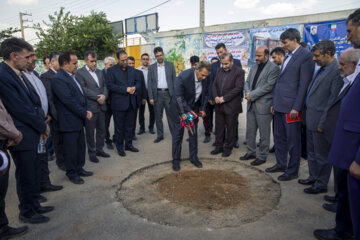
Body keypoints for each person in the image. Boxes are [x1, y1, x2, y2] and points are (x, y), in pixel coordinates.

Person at [315, 9, 360, 240]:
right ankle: (342, 230)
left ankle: (344, 232)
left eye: (350, 31)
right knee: (345, 195)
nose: (347, 37)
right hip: (345, 147)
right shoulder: (349, 76)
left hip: (354, 155)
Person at [0, 38, 51, 224]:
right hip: (22, 134)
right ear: (14, 56)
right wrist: (42, 126)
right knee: (26, 174)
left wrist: (41, 125)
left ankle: (35, 204)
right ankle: (27, 212)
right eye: (28, 56)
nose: (32, 59)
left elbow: (33, 102)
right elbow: (21, 108)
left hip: (34, 131)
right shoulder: (4, 76)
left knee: (35, 171)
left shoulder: (19, 73)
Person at [266, 28, 314, 181]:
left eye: (285, 42)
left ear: (295, 40)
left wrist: (296, 107)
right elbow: (281, 82)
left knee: (293, 141)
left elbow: (303, 84)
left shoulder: (305, 56)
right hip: (279, 105)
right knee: (279, 138)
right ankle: (281, 163)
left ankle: (292, 170)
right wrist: (274, 102)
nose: (283, 45)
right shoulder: (288, 56)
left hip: (291, 108)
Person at [299, 40, 343, 194]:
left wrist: (323, 123)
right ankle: (313, 176)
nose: (314, 59)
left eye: (317, 56)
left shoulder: (336, 71)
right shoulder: (321, 69)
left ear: (328, 54)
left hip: (320, 123)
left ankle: (321, 183)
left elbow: (332, 102)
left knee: (321, 156)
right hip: (310, 119)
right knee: (311, 153)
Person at [22, 51, 63, 194]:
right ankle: (34, 193)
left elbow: (43, 98)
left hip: (44, 120)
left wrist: (48, 114)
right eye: (29, 57)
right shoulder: (19, 77)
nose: (35, 59)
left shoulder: (34, 75)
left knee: (42, 156)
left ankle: (45, 183)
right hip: (32, 126)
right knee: (32, 161)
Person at [52, 51, 93, 184]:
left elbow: (82, 95)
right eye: (74, 63)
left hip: (78, 120)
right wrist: (84, 112)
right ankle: (72, 173)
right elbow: (68, 101)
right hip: (68, 121)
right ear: (65, 64)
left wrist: (87, 108)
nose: (77, 65)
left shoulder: (73, 76)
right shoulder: (59, 79)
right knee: (70, 150)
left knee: (80, 147)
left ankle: (79, 168)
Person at [240, 46, 279, 166]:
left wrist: (251, 94)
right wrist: (247, 93)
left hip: (263, 106)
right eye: (256, 55)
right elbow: (247, 82)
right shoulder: (253, 67)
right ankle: (251, 152)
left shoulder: (274, 68)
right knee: (250, 131)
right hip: (251, 104)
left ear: (266, 56)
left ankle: (262, 156)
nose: (256, 58)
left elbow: (269, 86)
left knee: (264, 133)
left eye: (259, 56)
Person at [170, 61, 211, 171]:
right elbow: (178, 97)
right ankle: (176, 160)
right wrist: (188, 110)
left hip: (194, 108)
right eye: (202, 75)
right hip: (180, 109)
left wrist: (202, 109)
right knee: (178, 135)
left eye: (206, 76)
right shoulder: (184, 76)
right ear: (197, 69)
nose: (203, 78)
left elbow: (205, 94)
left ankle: (193, 158)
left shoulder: (205, 78)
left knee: (193, 134)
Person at [0, 99, 29, 238]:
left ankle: (2, 226)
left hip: (4, 140)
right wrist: (15, 134)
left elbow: (6, 116)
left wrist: (11, 134)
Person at [205, 43, 242, 147]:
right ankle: (221, 142)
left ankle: (234, 140)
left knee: (233, 122)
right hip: (219, 100)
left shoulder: (237, 63)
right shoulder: (214, 66)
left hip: (232, 99)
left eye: (221, 52)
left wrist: (240, 96)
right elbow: (212, 82)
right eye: (217, 53)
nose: (219, 54)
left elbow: (239, 84)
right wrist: (213, 97)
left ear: (226, 50)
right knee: (220, 123)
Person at [76, 51, 110, 163]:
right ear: (86, 61)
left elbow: (105, 86)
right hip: (91, 108)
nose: (94, 63)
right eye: (92, 61)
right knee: (90, 132)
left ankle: (100, 149)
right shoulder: (80, 73)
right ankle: (92, 152)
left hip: (102, 106)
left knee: (102, 130)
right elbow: (83, 89)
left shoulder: (100, 72)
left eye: (95, 61)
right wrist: (97, 97)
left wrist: (104, 96)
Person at [105, 50, 140, 156]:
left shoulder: (132, 70)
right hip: (119, 104)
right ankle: (120, 147)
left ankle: (128, 145)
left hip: (131, 102)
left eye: (126, 59)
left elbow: (138, 82)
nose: (125, 61)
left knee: (130, 126)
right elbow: (110, 86)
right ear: (117, 59)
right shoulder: (111, 71)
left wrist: (134, 88)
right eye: (123, 60)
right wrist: (125, 89)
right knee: (119, 127)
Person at [210, 53, 245, 157]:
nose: (224, 66)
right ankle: (219, 146)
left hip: (231, 105)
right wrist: (216, 97)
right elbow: (214, 85)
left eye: (226, 64)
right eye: (222, 63)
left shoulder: (239, 72)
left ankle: (228, 148)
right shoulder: (219, 70)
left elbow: (238, 88)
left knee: (231, 127)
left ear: (232, 62)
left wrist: (224, 98)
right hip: (219, 104)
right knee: (219, 127)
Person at [147, 47, 176, 143]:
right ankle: (160, 135)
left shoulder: (170, 65)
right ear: (155, 57)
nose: (159, 57)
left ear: (163, 54)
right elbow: (149, 83)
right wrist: (150, 97)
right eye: (157, 56)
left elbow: (174, 80)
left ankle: (174, 134)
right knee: (158, 117)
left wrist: (175, 95)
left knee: (171, 116)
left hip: (169, 94)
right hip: (157, 95)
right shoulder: (151, 68)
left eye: (160, 55)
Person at [127, 56, 147, 140]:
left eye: (133, 63)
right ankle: (126, 134)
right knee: (126, 118)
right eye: (129, 63)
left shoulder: (139, 73)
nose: (131, 65)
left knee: (134, 117)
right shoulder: (123, 73)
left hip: (137, 99)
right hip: (126, 99)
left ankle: (132, 134)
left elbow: (143, 86)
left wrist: (144, 97)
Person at [137, 53, 155, 135]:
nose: (145, 60)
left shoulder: (152, 70)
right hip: (141, 94)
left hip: (150, 93)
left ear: (149, 60)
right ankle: (142, 128)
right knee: (141, 112)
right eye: (143, 59)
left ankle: (151, 127)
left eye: (147, 59)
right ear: (141, 60)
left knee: (152, 111)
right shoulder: (137, 70)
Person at [103, 56, 116, 150]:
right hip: (105, 103)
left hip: (115, 102)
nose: (111, 67)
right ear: (105, 65)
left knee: (118, 122)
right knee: (105, 123)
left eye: (113, 65)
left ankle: (116, 137)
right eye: (110, 65)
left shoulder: (115, 73)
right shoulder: (100, 74)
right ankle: (107, 140)